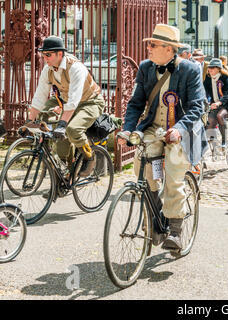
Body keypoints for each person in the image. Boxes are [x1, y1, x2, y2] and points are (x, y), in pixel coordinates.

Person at [118, 24, 207, 251]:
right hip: (153, 129)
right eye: (149, 44)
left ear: (169, 49)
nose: (148, 48)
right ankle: (158, 219)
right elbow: (136, 103)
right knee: (142, 166)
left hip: (180, 131)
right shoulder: (146, 68)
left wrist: (179, 128)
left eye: (153, 44)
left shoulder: (190, 69)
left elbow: (198, 106)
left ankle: (176, 232)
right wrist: (128, 129)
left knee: (174, 172)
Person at [28, 35, 105, 193]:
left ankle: (89, 157)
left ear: (60, 54)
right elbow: (40, 96)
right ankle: (65, 177)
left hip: (90, 102)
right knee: (61, 139)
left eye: (48, 55)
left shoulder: (75, 67)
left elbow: (74, 100)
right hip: (70, 103)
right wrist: (28, 122)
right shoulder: (48, 70)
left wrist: (63, 124)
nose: (45, 58)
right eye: (43, 55)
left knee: (72, 130)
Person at [203, 58, 228, 147]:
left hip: (227, 104)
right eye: (209, 67)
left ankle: (224, 141)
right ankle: (213, 143)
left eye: (213, 68)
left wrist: (219, 103)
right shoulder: (208, 78)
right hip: (214, 104)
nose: (210, 69)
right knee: (210, 120)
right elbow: (203, 91)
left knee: (220, 116)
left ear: (219, 69)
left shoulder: (224, 78)